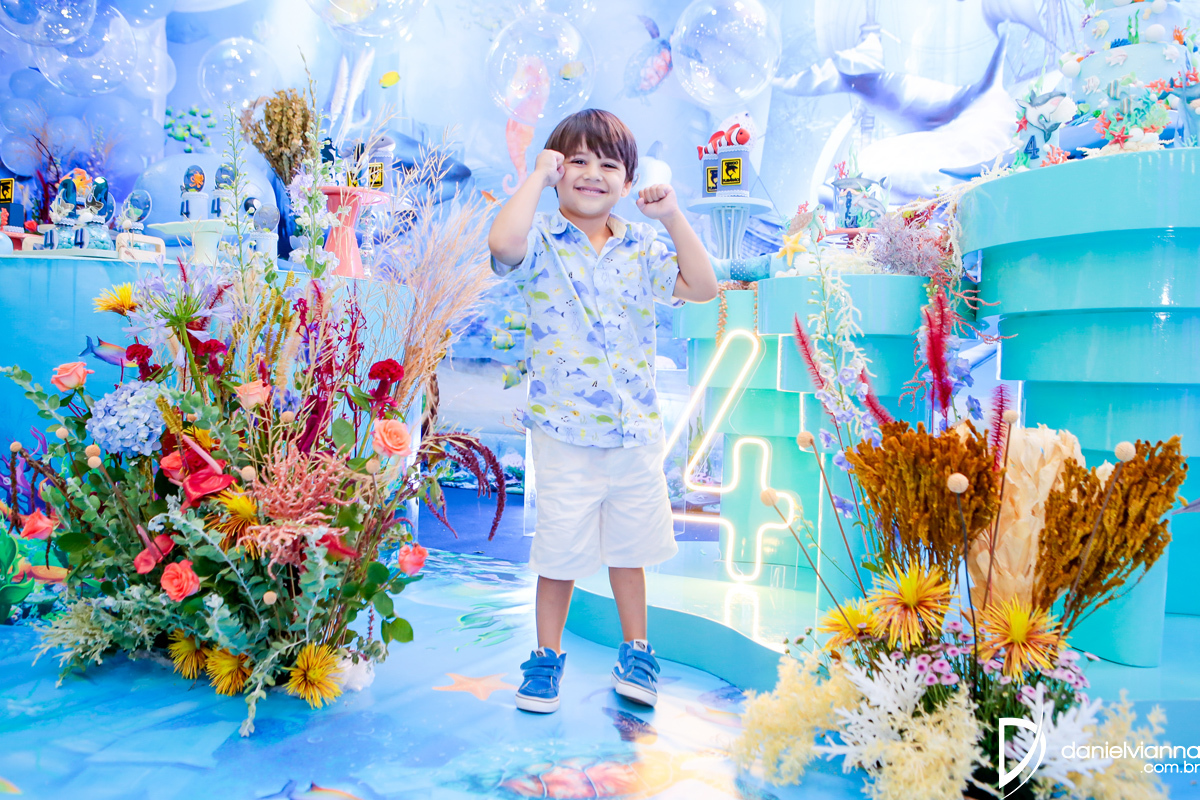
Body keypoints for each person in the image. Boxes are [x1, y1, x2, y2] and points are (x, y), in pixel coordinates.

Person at [488, 108, 716, 714]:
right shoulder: (540, 239)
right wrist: (535, 178)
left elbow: (703, 287)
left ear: (628, 180)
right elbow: (501, 244)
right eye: (578, 161)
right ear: (558, 171)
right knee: (558, 554)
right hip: (563, 433)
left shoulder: (642, 245)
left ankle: (636, 651)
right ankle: (545, 658)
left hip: (634, 431)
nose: (593, 173)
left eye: (609, 165)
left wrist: (671, 216)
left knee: (630, 551)